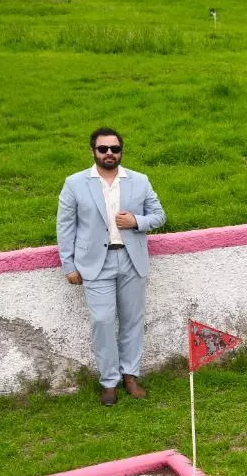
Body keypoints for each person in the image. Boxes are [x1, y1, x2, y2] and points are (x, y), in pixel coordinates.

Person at [57, 127, 167, 406]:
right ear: (93, 151)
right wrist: (68, 264)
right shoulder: (75, 183)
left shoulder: (139, 180)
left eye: (114, 149)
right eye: (103, 148)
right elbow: (65, 227)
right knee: (103, 321)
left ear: (121, 151)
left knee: (132, 320)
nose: (109, 153)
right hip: (95, 263)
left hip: (131, 260)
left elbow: (159, 216)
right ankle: (109, 381)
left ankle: (130, 376)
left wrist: (136, 221)